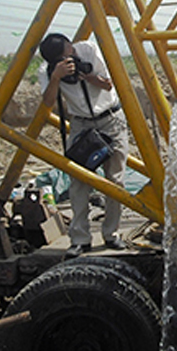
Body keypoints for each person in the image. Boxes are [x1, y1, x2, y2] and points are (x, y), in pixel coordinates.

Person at [38, 33, 130, 258]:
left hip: (110, 119)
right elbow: (48, 102)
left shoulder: (89, 50)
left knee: (115, 180)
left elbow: (107, 85)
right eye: (61, 59)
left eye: (69, 54)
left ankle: (111, 234)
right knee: (78, 182)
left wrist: (86, 75)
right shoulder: (47, 71)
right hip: (81, 124)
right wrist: (56, 77)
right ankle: (80, 239)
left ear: (71, 46)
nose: (68, 60)